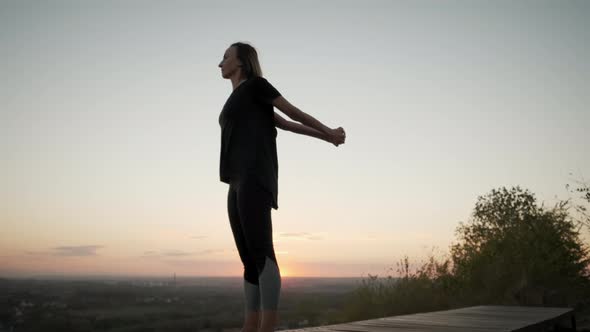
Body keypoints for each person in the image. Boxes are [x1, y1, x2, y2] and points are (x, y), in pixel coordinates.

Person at [218, 42, 346, 332]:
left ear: (241, 62)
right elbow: (285, 125)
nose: (220, 63)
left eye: (226, 57)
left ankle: (268, 326)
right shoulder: (238, 98)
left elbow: (292, 113)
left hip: (255, 176)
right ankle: (250, 326)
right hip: (235, 181)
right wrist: (325, 137)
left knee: (262, 252)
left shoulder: (256, 86)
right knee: (248, 259)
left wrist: (328, 133)